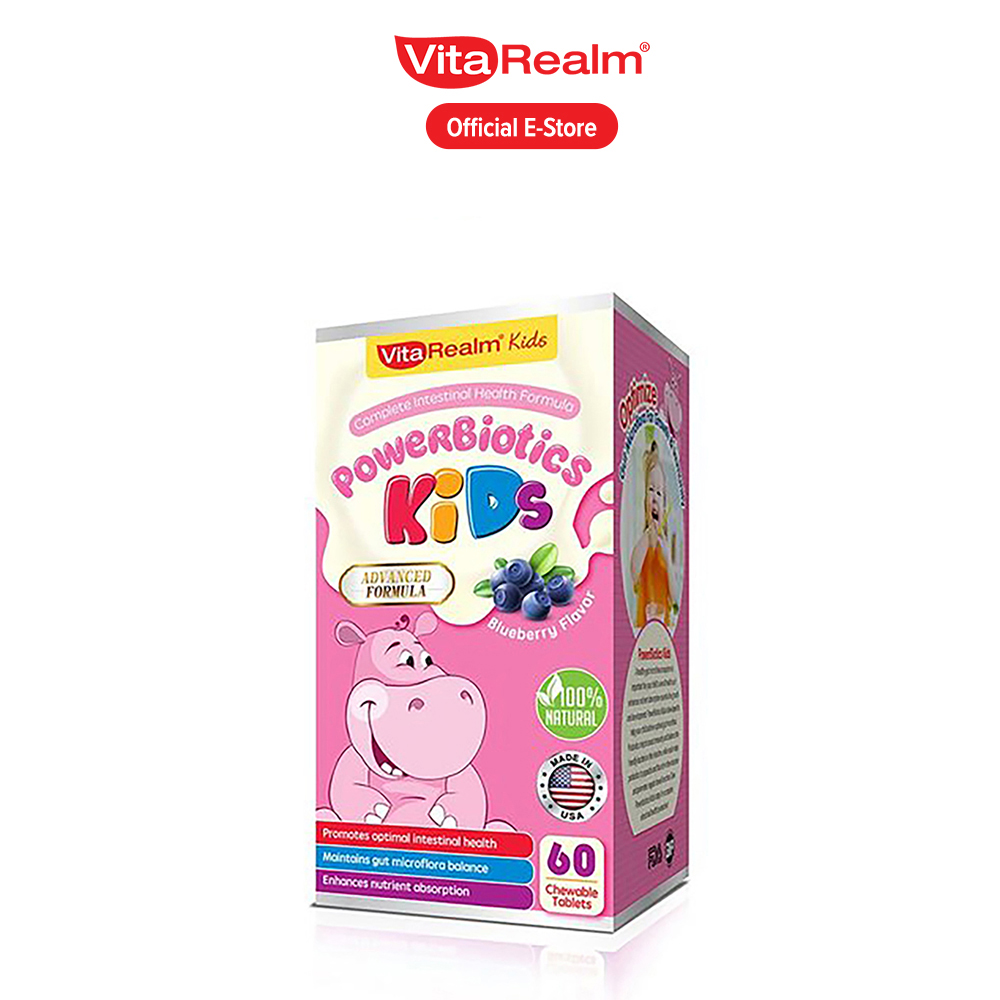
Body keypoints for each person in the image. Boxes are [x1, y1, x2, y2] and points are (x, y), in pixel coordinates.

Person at [630, 436, 674, 629]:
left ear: (664, 507)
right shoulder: (643, 543)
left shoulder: (664, 549)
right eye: (651, 489)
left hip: (665, 627)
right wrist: (647, 537)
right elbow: (634, 574)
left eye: (659, 493)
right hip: (643, 626)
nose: (655, 497)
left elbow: (674, 596)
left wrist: (667, 556)